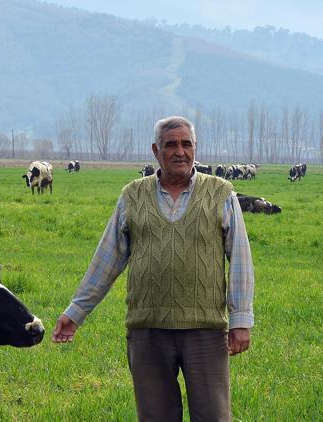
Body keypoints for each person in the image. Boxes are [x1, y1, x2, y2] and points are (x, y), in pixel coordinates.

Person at [52, 116, 254, 421]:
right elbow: (107, 259)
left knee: (214, 416)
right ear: (155, 150)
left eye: (186, 144)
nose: (180, 152)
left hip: (205, 330)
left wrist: (240, 319)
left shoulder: (220, 192)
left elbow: (240, 259)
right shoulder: (132, 195)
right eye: (170, 144)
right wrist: (76, 312)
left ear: (195, 148)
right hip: (147, 331)